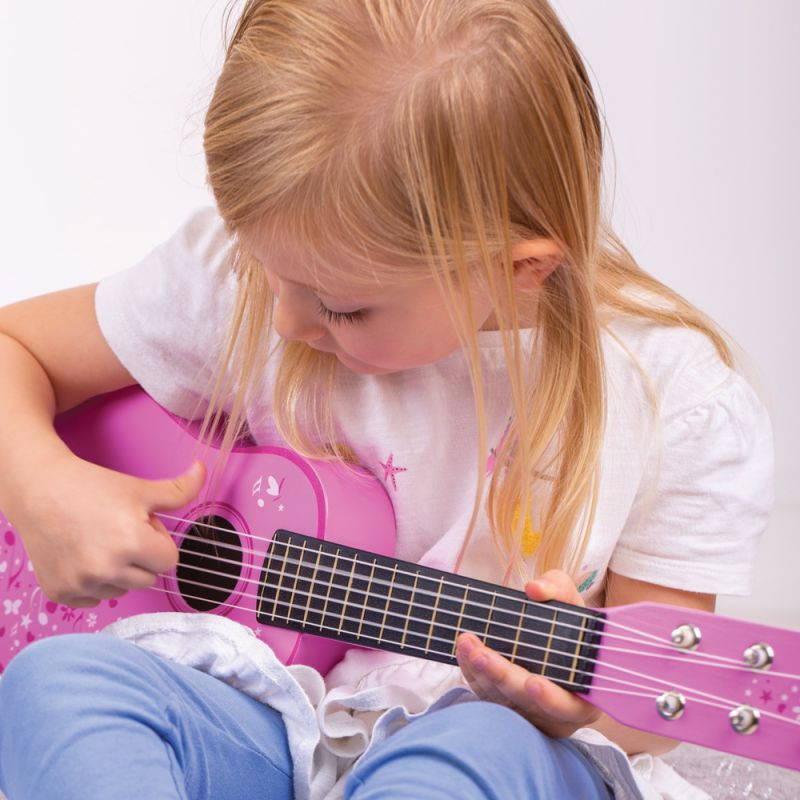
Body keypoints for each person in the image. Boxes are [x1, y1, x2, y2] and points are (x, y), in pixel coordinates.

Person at [0, 1, 774, 798]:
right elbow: (14, 348)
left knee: (477, 743)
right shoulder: (256, 279)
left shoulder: (672, 402)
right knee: (56, 683)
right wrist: (38, 483)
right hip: (266, 717)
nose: (284, 320)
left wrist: (566, 709)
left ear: (521, 269)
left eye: (342, 308)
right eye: (268, 270)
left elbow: (662, 705)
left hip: (486, 746)